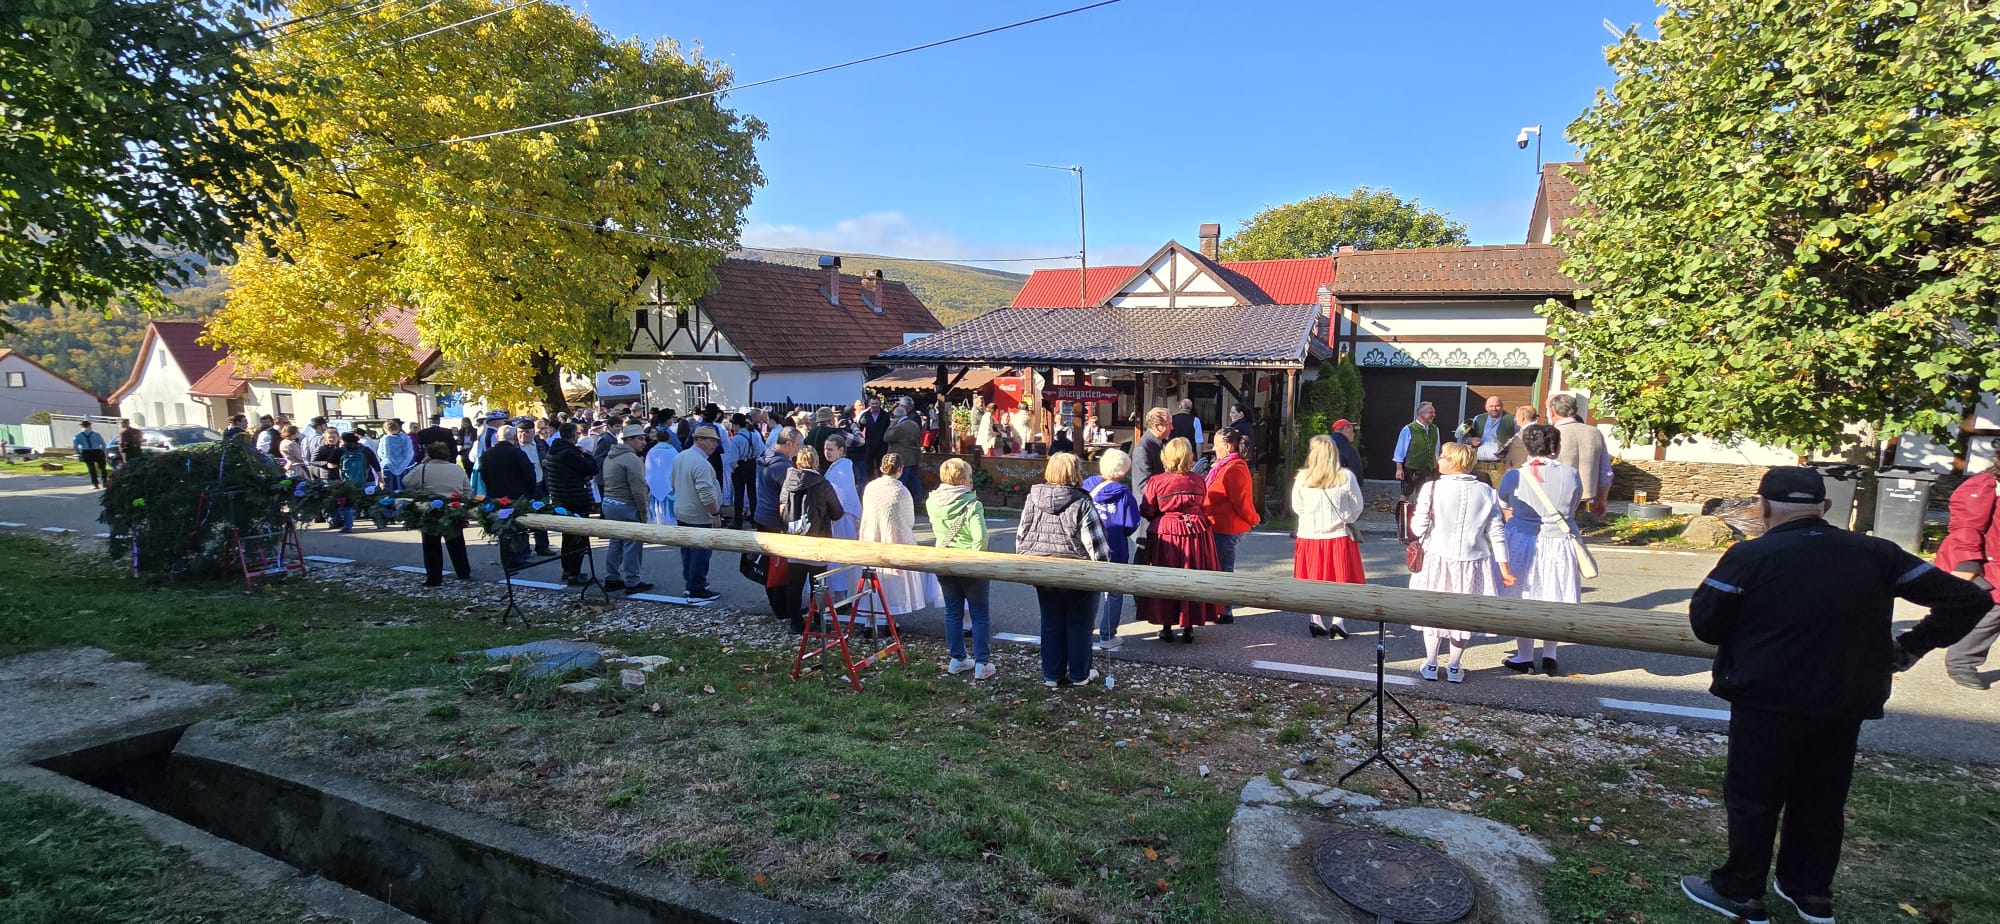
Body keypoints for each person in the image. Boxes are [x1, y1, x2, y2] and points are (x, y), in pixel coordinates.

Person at [1679, 467, 1989, 924]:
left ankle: (1740, 890)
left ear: (1762, 507)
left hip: (1767, 694)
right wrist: (1911, 647)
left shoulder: (1750, 555)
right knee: (1822, 797)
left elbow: (1707, 624)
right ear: (1824, 507)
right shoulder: (1877, 553)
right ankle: (1810, 893)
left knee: (1754, 796)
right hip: (1845, 697)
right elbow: (1968, 599)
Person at [1408, 443, 1515, 683]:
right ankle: (1455, 666)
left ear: (1454, 462)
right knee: (1462, 615)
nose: (1438, 460)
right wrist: (1504, 568)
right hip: (1473, 560)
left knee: (1433, 611)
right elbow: (1496, 532)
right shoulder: (1487, 491)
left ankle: (1431, 662)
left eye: (1443, 457)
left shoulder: (1431, 488)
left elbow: (1418, 527)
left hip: (1436, 557)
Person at [1016, 452, 1113, 688]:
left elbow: (1021, 536)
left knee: (1051, 623)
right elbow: (1097, 548)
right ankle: (1079, 674)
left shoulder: (1032, 498)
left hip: (1042, 570)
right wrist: (1105, 569)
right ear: (1076, 473)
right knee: (1079, 625)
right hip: (1077, 573)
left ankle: (1052, 674)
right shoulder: (1082, 502)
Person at [1495, 423, 1583, 676]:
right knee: (1552, 595)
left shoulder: (1514, 475)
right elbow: (1574, 503)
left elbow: (1503, 501)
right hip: (1559, 541)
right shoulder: (1571, 474)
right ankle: (1550, 654)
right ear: (1555, 446)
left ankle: (1524, 656)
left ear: (1527, 446)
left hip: (1524, 539)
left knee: (1525, 596)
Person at [1136, 437, 1223, 643]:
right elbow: (1202, 504)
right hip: (1195, 533)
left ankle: (1166, 625)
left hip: (1167, 533)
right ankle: (1189, 626)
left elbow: (1147, 510)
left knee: (1165, 576)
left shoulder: (1157, 481)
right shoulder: (1197, 480)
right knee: (1192, 574)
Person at [859, 452, 945, 633]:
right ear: (900, 469)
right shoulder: (901, 491)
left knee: (872, 575)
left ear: (881, 468)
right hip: (893, 537)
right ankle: (888, 618)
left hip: (871, 534)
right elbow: (909, 520)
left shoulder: (871, 487)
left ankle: (870, 620)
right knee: (892, 579)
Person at [1935, 460, 2000, 690]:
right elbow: (1966, 526)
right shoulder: (1985, 485)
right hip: (1988, 562)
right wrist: (1968, 561)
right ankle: (1961, 662)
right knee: (1991, 612)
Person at [1293, 434, 1365, 639]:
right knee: (1341, 580)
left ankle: (1315, 619)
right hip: (1338, 535)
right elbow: (1357, 505)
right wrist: (1345, 518)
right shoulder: (1346, 477)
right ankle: (1338, 621)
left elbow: (1297, 506)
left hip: (1309, 535)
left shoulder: (1303, 478)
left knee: (1312, 579)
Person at [928, 457, 995, 679]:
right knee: (979, 614)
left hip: (944, 560)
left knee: (952, 612)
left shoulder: (933, 500)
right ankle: (982, 662)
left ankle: (957, 658)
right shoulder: (972, 503)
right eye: (969, 476)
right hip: (969, 562)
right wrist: (977, 559)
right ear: (963, 479)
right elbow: (980, 537)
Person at [779, 444, 845, 634]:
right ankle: (818, 620)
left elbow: (781, 509)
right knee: (819, 585)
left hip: (794, 540)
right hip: (818, 540)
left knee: (795, 584)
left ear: (798, 461)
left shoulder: (788, 482)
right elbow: (837, 513)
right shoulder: (823, 483)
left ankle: (795, 622)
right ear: (816, 461)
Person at [1083, 448, 1141, 651]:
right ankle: (1107, 635)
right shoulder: (1124, 495)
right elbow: (1131, 524)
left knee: (1086, 591)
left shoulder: (1085, 487)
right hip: (1114, 549)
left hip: (1087, 548)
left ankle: (1082, 632)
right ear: (1123, 471)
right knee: (1114, 593)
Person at [1204, 426, 1260, 624]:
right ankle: (1219, 608)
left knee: (1224, 569)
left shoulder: (1234, 468)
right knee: (1220, 567)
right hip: (1218, 524)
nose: (1213, 449)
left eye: (1216, 444)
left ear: (1228, 447)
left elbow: (1242, 502)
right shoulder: (1224, 466)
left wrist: (1253, 519)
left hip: (1226, 527)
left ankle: (1225, 611)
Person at [400, 442, 475, 586]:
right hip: (453, 508)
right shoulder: (457, 469)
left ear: (429, 454)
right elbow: (468, 490)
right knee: (456, 542)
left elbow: (406, 481)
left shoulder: (423, 468)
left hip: (430, 509)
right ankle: (463, 572)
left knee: (431, 545)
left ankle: (434, 578)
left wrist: (423, 464)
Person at [597, 424, 654, 594]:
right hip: (625, 505)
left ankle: (612, 577)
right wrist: (643, 513)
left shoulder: (611, 456)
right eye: (640, 439)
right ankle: (633, 581)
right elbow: (638, 489)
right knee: (632, 543)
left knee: (615, 542)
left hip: (609, 502)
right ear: (629, 440)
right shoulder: (631, 459)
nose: (643, 442)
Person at [670, 425, 725, 600]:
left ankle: (691, 583)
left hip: (682, 510)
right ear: (700, 440)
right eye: (711, 440)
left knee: (687, 551)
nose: (715, 445)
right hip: (698, 515)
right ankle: (696, 588)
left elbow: (672, 482)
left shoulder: (681, 457)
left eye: (716, 441)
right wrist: (715, 514)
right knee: (700, 553)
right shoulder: (701, 463)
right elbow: (706, 494)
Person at [545, 422, 600, 585]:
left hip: (560, 498)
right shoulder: (569, 453)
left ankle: (567, 570)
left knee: (567, 537)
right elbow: (592, 469)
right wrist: (587, 454)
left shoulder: (553, 450)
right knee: (578, 539)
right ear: (573, 435)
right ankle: (574, 573)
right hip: (575, 499)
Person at [477, 426, 538, 570]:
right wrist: (530, 492)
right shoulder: (517, 453)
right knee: (518, 526)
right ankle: (518, 556)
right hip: (518, 496)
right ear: (514, 438)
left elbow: (483, 475)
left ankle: (507, 557)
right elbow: (529, 474)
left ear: (497, 437)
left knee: (503, 527)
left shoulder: (487, 454)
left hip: (497, 496)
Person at [1547, 393, 1611, 521]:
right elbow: (1606, 472)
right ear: (1575, 410)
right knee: (1573, 526)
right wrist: (1601, 499)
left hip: (1555, 495)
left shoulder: (1551, 434)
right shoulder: (1595, 433)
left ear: (1552, 412)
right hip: (1584, 494)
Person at [820, 435, 864, 598]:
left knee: (841, 557)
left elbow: (842, 494)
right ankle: (841, 594)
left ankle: (844, 595)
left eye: (831, 449)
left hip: (842, 517)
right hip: (837, 517)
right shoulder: (836, 466)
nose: (827, 452)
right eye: (825, 449)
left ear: (841, 450)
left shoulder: (843, 467)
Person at [1457, 395, 1517, 488]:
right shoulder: (1478, 419)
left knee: (1499, 494)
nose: (1494, 408)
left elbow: (1520, 438)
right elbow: (1462, 437)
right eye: (1491, 406)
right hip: (1478, 465)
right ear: (1486, 407)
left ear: (1502, 406)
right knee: (1477, 492)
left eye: (1497, 406)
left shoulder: (1511, 419)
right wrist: (1471, 440)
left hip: (1500, 467)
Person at [330, 431, 382, 533]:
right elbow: (376, 464)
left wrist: (336, 477)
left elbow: (331, 465)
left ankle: (348, 526)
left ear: (343, 440)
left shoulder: (339, 451)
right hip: (367, 480)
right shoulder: (365, 450)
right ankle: (379, 522)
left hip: (346, 482)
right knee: (371, 502)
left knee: (348, 504)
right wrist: (380, 478)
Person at [1393, 401, 1443, 502]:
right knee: (1406, 495)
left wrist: (1437, 464)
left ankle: (1420, 512)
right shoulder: (1408, 429)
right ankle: (1402, 513)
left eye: (1434, 412)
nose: (1434, 415)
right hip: (1412, 470)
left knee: (1425, 496)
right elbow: (1400, 451)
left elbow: (1436, 449)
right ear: (1421, 414)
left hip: (1429, 470)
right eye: (1431, 412)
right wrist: (1399, 469)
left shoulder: (1435, 429)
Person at [884, 401, 926, 506]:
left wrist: (891, 425)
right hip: (914, 456)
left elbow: (886, 438)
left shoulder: (899, 427)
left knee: (902, 482)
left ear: (896, 416)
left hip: (903, 458)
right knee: (915, 480)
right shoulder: (914, 424)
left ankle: (902, 502)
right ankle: (919, 501)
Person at [1129, 407, 1171, 500]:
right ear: (1157, 427)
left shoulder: (1163, 443)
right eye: (1169, 424)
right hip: (1147, 505)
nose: (1172, 428)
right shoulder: (1142, 450)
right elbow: (1143, 486)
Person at [644, 422, 679, 527]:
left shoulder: (651, 451)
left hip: (654, 484)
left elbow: (648, 470)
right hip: (669, 485)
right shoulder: (674, 452)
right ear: (669, 439)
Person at [727, 414, 759, 528]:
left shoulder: (736, 439)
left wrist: (733, 468)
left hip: (740, 465)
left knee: (739, 494)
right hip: (751, 463)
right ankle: (754, 518)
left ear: (736, 425)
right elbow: (757, 451)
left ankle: (738, 521)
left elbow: (733, 458)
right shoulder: (753, 435)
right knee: (752, 493)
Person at [378, 419, 414, 494]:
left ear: (386, 429)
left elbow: (381, 453)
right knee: (405, 488)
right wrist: (404, 462)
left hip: (389, 466)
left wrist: (387, 460)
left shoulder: (385, 439)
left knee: (389, 489)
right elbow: (409, 453)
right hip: (405, 466)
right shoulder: (406, 438)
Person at [72, 421, 108, 489]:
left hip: (86, 452)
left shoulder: (77, 436)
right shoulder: (96, 434)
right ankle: (104, 482)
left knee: (91, 469)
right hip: (97, 451)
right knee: (102, 467)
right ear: (89, 426)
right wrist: (105, 452)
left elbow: (75, 446)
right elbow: (103, 444)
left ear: (81, 426)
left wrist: (78, 453)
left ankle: (95, 484)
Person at [859, 397, 890, 476]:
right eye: (872, 403)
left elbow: (889, 428)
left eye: (876, 403)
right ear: (869, 404)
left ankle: (881, 480)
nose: (874, 405)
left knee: (881, 466)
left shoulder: (885, 415)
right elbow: (860, 429)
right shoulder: (865, 415)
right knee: (869, 466)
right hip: (869, 444)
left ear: (879, 404)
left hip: (882, 444)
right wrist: (861, 423)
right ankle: (870, 481)